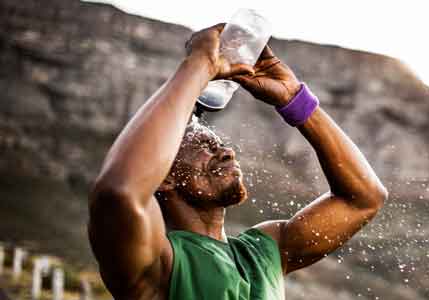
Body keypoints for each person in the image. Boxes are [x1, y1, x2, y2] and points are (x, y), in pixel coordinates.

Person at [88, 23, 388, 300]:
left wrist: (294, 99)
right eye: (204, 146)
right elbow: (119, 191)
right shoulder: (155, 261)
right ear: (164, 176)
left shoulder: (265, 250)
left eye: (221, 145)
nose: (228, 152)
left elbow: (364, 198)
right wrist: (199, 65)